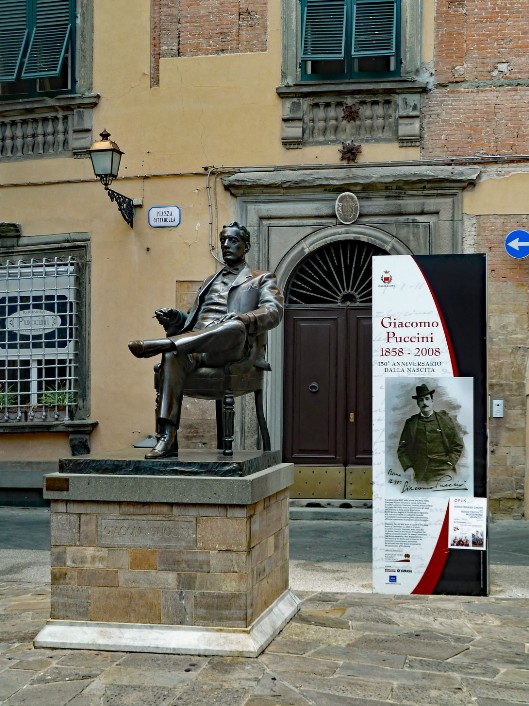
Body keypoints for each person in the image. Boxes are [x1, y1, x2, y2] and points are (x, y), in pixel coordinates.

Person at [128, 222, 283, 458]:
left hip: (230, 348)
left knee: (235, 326)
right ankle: (168, 439)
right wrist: (174, 319)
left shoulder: (261, 278)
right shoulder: (209, 280)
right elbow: (191, 321)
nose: (226, 245)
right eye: (223, 241)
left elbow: (274, 312)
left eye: (233, 240)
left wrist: (244, 317)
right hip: (197, 345)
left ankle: (166, 344)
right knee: (173, 354)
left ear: (246, 246)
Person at [397, 384, 464, 483]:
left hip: (444, 470)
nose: (424, 402)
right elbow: (402, 449)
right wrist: (408, 467)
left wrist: (450, 463)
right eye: (421, 400)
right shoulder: (411, 423)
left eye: (427, 399)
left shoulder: (445, 420)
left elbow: (457, 445)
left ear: (432, 401)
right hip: (420, 472)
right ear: (418, 404)